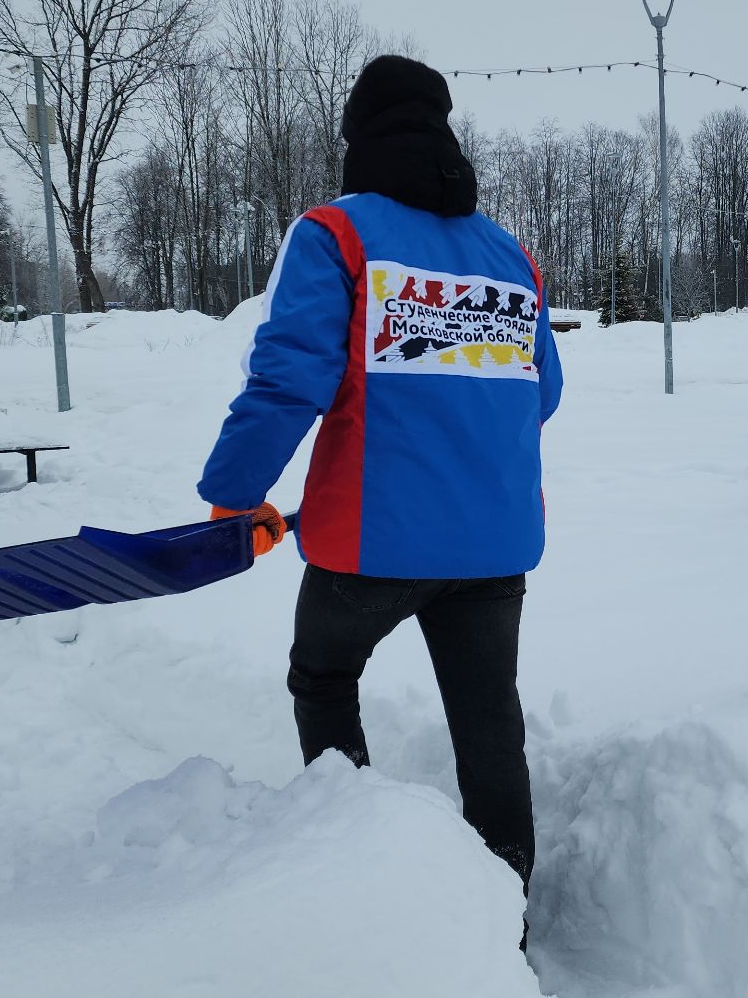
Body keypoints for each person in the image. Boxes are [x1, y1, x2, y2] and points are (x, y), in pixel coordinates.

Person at [197, 56, 563, 912]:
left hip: (373, 543)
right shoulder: (509, 253)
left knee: (323, 679)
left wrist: (233, 492)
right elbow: (539, 390)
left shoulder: (337, 233)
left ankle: (356, 888)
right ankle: (502, 921)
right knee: (488, 727)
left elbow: (291, 379)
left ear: (358, 134)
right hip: (494, 542)